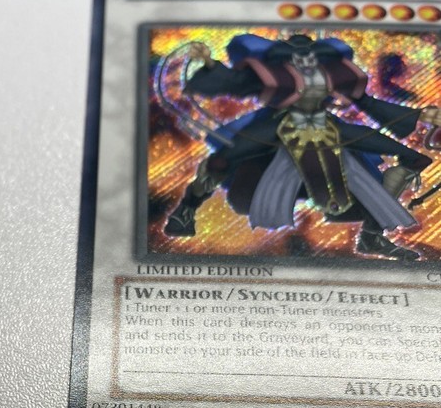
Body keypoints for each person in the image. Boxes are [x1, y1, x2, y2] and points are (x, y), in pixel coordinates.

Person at [164, 33, 441, 261]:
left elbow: (366, 102)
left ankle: (372, 235)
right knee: (221, 160)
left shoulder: (334, 72)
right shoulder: (271, 73)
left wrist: (418, 115)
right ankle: (185, 210)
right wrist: (208, 63)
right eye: (298, 57)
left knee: (414, 158)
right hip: (280, 123)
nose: (305, 61)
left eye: (310, 56)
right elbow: (231, 82)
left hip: (327, 125)